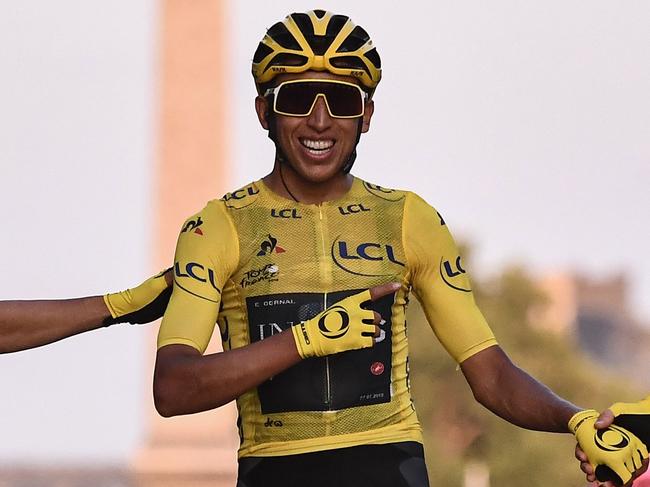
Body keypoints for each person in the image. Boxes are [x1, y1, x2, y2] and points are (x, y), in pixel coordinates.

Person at [1, 9, 648, 487]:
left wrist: (573, 418)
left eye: (340, 99)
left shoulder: (408, 218)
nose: (318, 119)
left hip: (390, 466)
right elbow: (173, 388)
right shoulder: (218, 226)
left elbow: (491, 372)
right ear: (263, 111)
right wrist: (304, 340)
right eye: (294, 100)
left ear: (366, 113)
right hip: (275, 471)